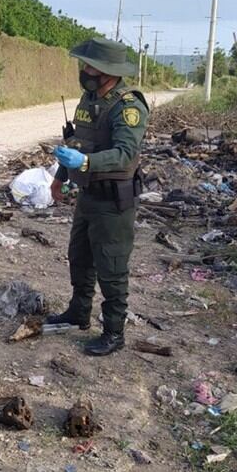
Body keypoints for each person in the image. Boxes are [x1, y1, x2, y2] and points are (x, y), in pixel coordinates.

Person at [45, 38, 150, 356]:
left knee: (112, 267)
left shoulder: (128, 107)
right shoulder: (89, 99)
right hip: (88, 196)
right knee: (79, 257)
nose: (84, 71)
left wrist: (87, 163)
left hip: (114, 203)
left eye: (90, 66)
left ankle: (114, 332)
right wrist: (61, 176)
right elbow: (78, 142)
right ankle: (79, 313)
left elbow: (124, 154)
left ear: (107, 71)